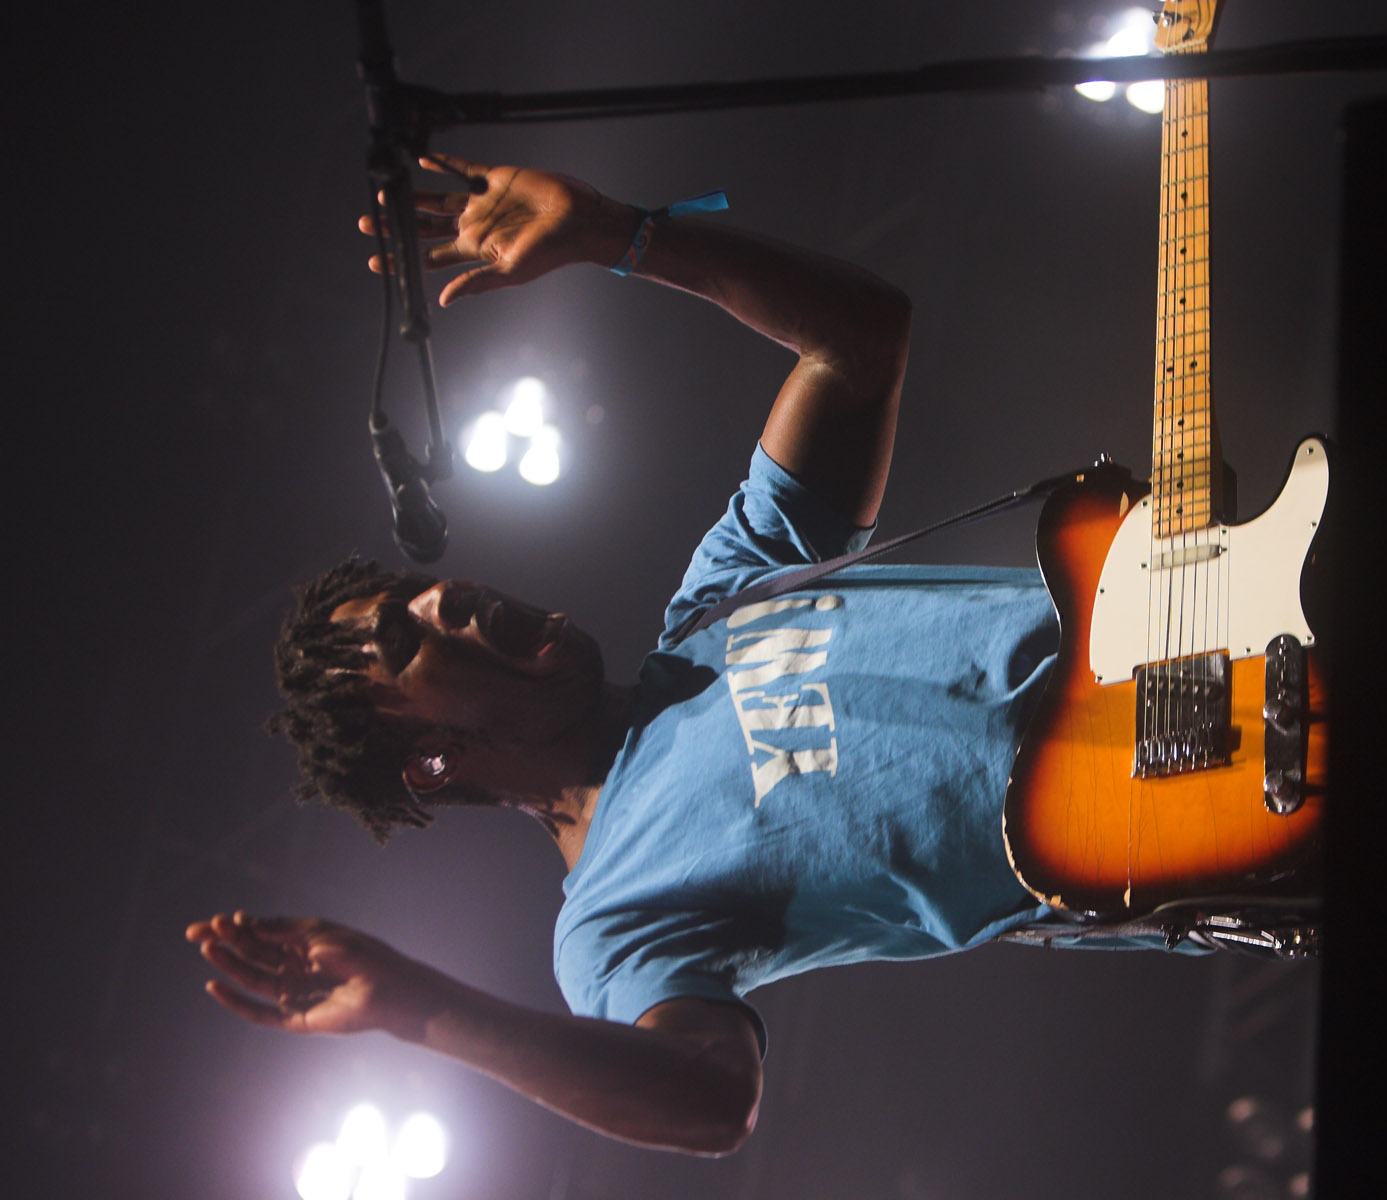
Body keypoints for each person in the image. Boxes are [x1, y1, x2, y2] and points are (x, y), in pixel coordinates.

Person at [186, 153, 1191, 1157]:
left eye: (418, 591)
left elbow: (861, 339)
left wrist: (622, 236)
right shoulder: (613, 918)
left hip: (1213, 628)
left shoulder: (722, 594)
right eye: (406, 640)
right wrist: (415, 1007)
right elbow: (710, 1099)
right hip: (1195, 801)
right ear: (432, 761)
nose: (444, 597)